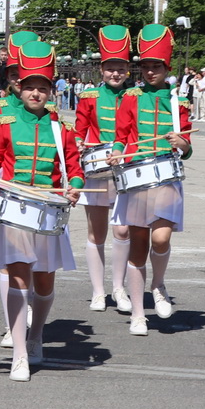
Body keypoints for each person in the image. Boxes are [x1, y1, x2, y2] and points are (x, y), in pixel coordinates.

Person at [0, 40, 83, 381]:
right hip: (14, 206)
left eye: (43, 88)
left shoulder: (61, 128)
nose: (36, 94)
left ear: (51, 92)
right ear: (19, 88)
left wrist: (75, 186)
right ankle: (20, 353)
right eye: (30, 87)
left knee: (45, 280)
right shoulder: (4, 122)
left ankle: (37, 334)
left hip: (48, 208)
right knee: (19, 274)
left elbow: (74, 167)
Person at [110, 24, 191, 334]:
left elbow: (187, 147)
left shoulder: (177, 101)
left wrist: (181, 143)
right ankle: (137, 315)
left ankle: (158, 285)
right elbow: (121, 136)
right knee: (138, 246)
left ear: (166, 68)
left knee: (161, 238)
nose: (150, 71)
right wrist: (117, 152)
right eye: (145, 66)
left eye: (156, 66)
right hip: (137, 177)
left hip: (167, 177)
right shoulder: (130, 97)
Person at [74, 25, 134, 313]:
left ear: (127, 70)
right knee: (96, 233)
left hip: (128, 169)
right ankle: (98, 292)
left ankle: (119, 288)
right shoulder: (89, 97)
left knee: (122, 231)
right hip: (98, 170)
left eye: (120, 68)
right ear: (101, 70)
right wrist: (78, 144)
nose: (115, 74)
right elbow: (79, 130)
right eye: (110, 68)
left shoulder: (135, 95)